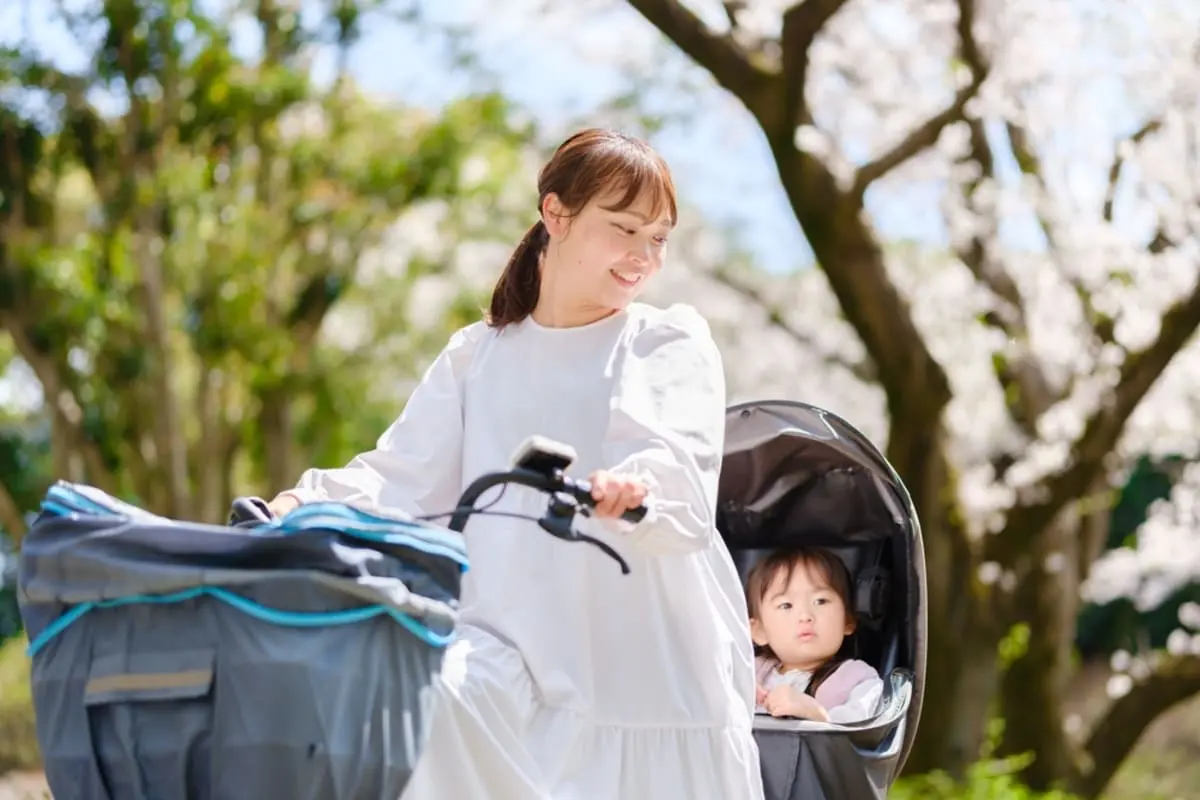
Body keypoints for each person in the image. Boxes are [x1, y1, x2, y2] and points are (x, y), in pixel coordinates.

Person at [266, 128, 765, 799]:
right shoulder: (479, 356)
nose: (643, 256)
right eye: (624, 229)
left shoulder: (665, 340)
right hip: (505, 651)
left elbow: (678, 468)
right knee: (420, 700)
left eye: (659, 237)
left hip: (641, 676)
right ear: (555, 214)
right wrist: (304, 505)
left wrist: (633, 489)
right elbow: (398, 477)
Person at [747, 547, 884, 724]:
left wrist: (816, 714)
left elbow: (860, 730)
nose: (805, 616)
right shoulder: (751, 672)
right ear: (759, 631)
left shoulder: (858, 679)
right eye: (786, 605)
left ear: (847, 620)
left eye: (820, 601)